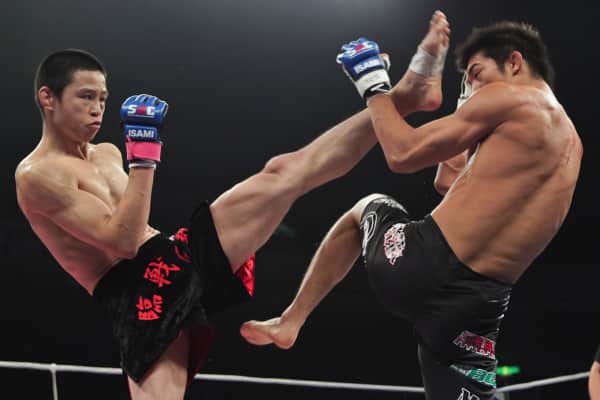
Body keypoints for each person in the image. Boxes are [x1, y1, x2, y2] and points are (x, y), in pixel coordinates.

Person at [14, 10, 448, 399]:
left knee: (284, 172)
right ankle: (404, 97)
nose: (98, 109)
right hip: (135, 292)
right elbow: (123, 244)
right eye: (85, 97)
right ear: (48, 98)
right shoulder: (37, 175)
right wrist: (144, 159)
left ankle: (402, 97)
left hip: (172, 255)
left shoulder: (107, 153)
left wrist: (138, 159)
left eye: (103, 98)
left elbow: (139, 227)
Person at [240, 14, 583, 400]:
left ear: (515, 62)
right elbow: (448, 183)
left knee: (368, 206)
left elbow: (402, 154)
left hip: (422, 264)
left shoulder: (508, 97)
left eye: (476, 73)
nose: (474, 86)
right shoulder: (570, 143)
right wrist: (463, 108)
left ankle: (291, 320)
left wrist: (373, 84)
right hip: (478, 312)